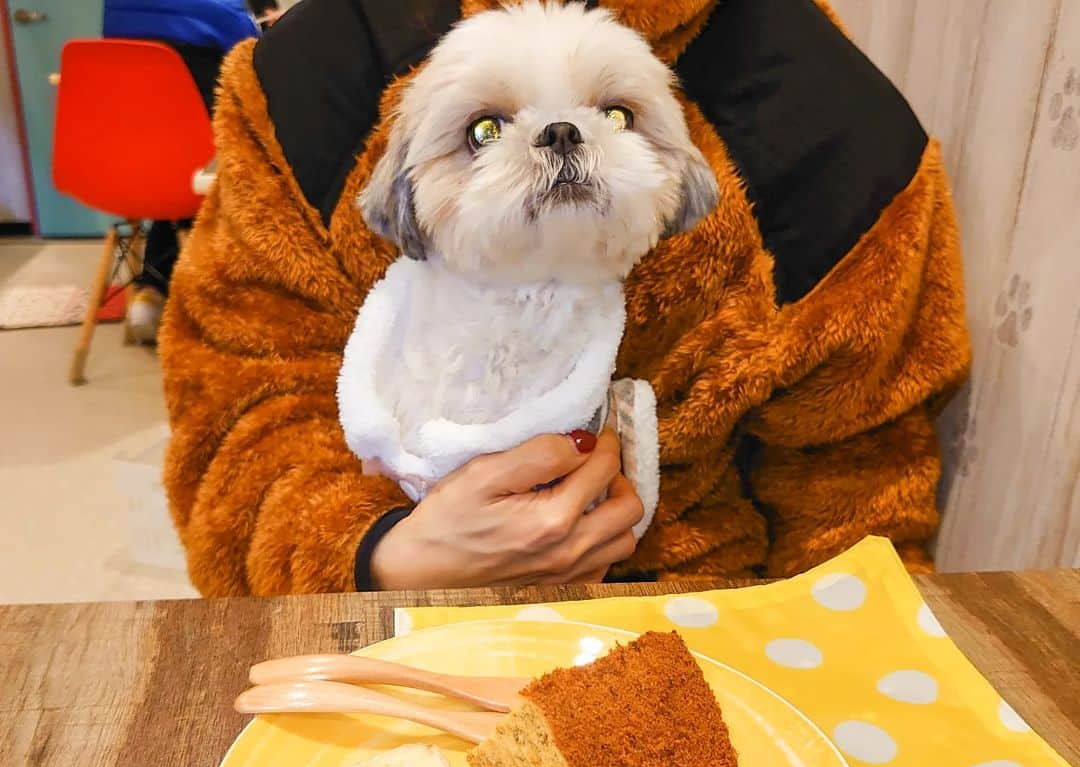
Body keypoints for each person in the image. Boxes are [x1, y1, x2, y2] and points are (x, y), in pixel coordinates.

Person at [159, 0, 970, 596]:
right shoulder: (308, 76)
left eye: (614, 114)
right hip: (378, 613)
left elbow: (857, 486)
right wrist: (378, 552)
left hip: (687, 607)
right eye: (486, 132)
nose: (561, 142)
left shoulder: (831, 121)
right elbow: (237, 402)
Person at [102, 0, 262, 343]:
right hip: (201, 171)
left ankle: (152, 289)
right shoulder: (219, 8)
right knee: (239, 157)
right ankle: (209, 296)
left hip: (130, 166)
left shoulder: (115, 9)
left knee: (178, 171)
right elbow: (252, 50)